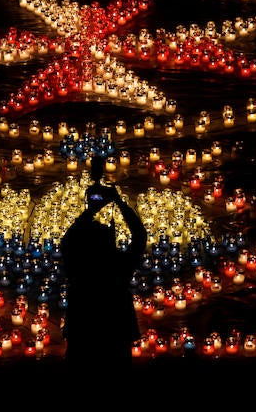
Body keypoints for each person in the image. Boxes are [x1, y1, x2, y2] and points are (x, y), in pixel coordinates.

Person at [59, 155, 147, 372]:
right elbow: (139, 235)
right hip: (116, 337)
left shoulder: (78, 267)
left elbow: (67, 241)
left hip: (82, 337)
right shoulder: (119, 266)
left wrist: (91, 210)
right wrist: (119, 202)